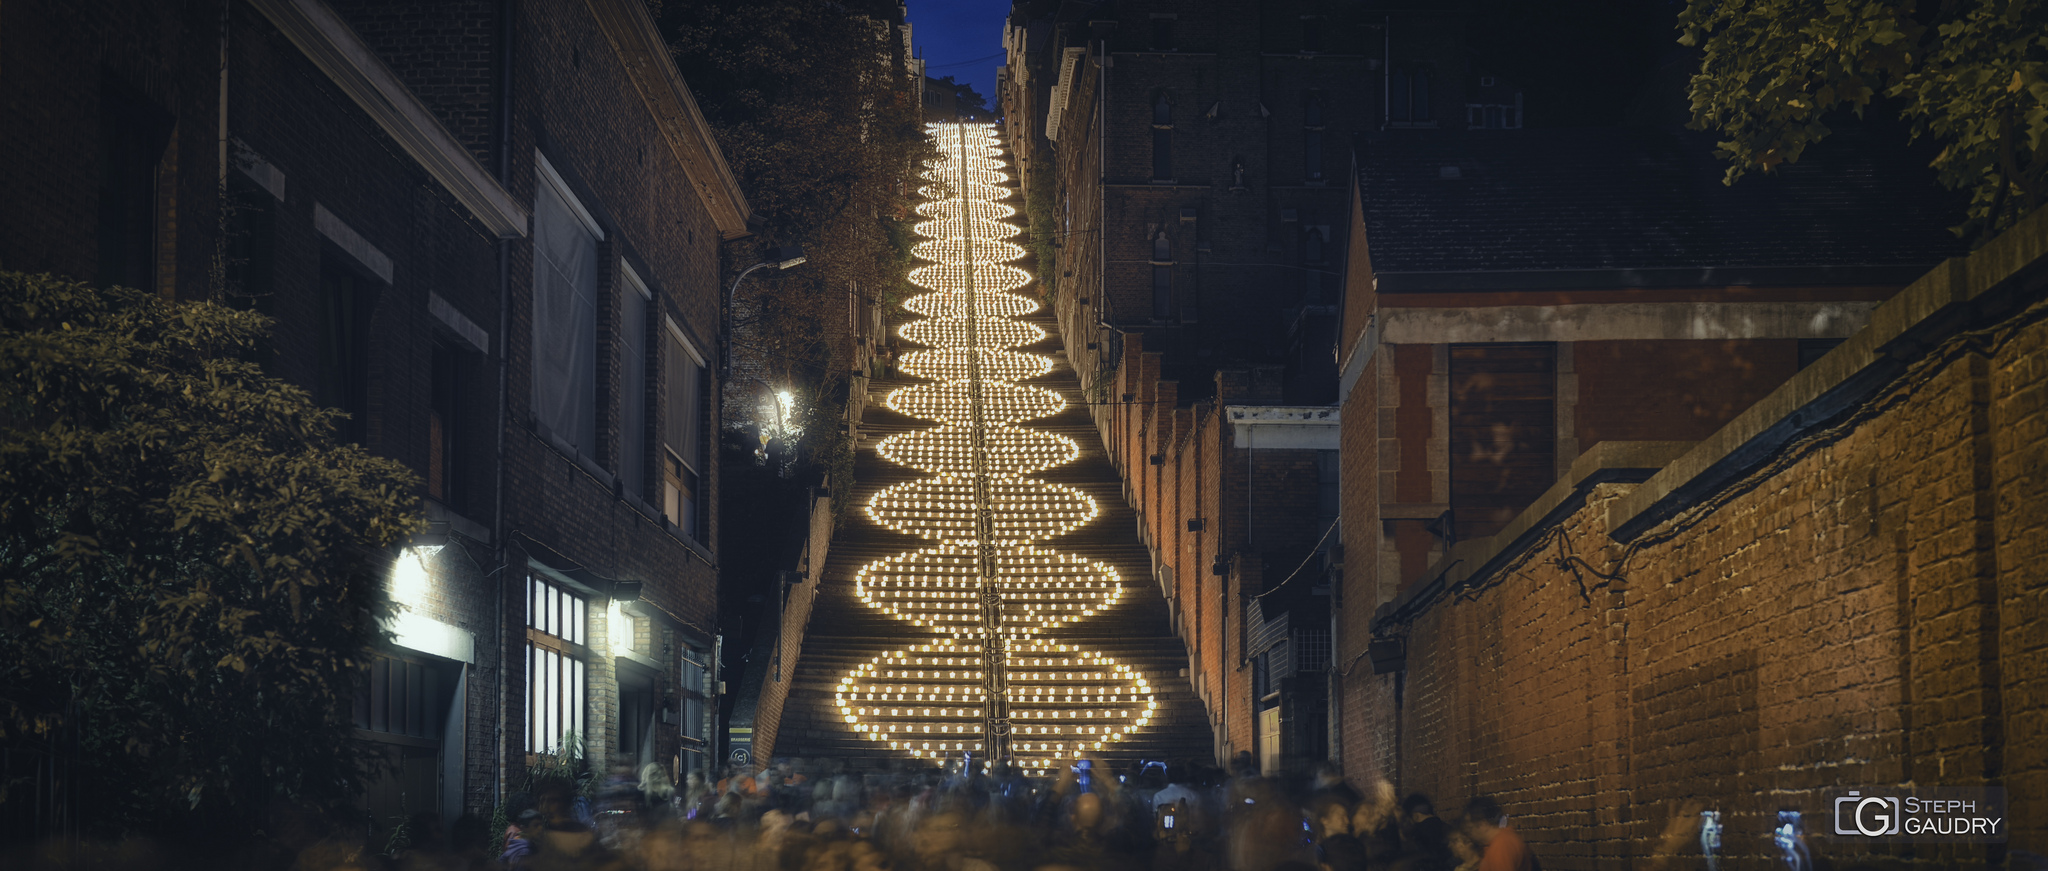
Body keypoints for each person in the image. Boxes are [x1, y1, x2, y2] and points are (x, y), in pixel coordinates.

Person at [1462, 796, 1539, 871]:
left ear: (1483, 824)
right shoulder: (1501, 841)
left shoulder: (1501, 846)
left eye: (1470, 828)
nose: (1469, 833)